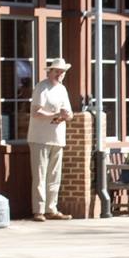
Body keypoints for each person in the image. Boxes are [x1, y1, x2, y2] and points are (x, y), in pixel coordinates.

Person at [30, 58, 73, 219]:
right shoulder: (42, 87)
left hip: (57, 136)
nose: (60, 74)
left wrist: (67, 115)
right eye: (57, 71)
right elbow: (35, 112)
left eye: (62, 72)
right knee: (40, 174)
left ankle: (51, 208)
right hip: (40, 137)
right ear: (50, 72)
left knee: (54, 175)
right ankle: (38, 210)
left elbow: (69, 114)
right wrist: (55, 114)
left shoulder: (62, 89)